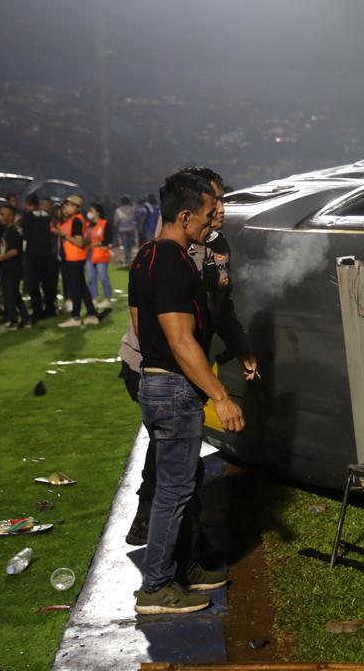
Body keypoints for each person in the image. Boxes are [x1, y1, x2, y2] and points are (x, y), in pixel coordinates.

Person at [127, 170, 245, 615]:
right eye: (203, 214)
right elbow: (181, 340)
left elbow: (143, 325)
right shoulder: (175, 262)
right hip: (175, 388)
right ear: (183, 214)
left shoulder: (143, 257)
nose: (209, 222)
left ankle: (180, 569)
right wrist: (220, 394)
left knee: (176, 487)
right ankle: (156, 587)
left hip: (154, 381)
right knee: (175, 492)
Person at [53, 194, 100, 327]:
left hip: (74, 258)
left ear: (76, 207)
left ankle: (76, 316)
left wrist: (65, 235)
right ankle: (91, 314)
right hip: (75, 257)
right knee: (82, 287)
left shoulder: (76, 221)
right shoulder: (75, 219)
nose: (65, 208)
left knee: (76, 289)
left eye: (68, 205)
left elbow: (79, 242)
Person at [0, 204, 30, 330]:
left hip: (12, 268)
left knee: (9, 295)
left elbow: (14, 251)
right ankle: (26, 319)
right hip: (8, 267)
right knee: (15, 295)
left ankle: (14, 322)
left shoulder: (13, 232)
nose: (0, 217)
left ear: (11, 217)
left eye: (3, 215)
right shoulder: (6, 231)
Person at [22, 195, 57, 320]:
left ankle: (38, 311)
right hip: (46, 254)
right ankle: (50, 308)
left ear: (27, 203)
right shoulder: (46, 216)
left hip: (33, 255)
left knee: (33, 284)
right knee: (47, 283)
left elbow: (25, 237)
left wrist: (23, 252)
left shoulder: (27, 217)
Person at [85, 203, 114, 309]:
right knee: (91, 278)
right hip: (89, 254)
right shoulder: (87, 225)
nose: (89, 213)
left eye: (91, 211)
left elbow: (108, 239)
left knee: (103, 277)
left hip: (101, 254)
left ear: (98, 212)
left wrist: (97, 244)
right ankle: (94, 298)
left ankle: (107, 298)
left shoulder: (104, 223)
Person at [114, 195, 138, 264]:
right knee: (130, 244)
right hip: (131, 228)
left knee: (125, 244)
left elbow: (116, 221)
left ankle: (127, 258)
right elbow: (135, 218)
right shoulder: (132, 209)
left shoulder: (118, 210)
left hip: (122, 229)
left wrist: (115, 227)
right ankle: (129, 257)